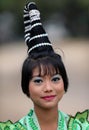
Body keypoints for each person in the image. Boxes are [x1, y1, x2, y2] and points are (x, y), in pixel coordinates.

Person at [0, 2, 89, 130]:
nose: (48, 88)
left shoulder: (81, 127)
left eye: (55, 79)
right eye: (38, 81)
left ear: (65, 82)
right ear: (26, 86)